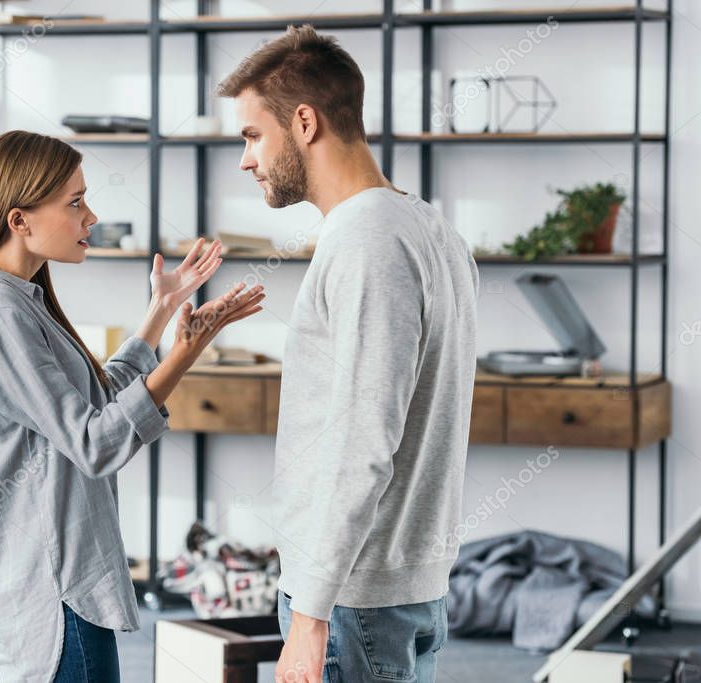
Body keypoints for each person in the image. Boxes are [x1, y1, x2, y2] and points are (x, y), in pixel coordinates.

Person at [0, 130, 265, 682]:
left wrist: (161, 312)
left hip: (64, 587)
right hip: (55, 595)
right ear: (19, 220)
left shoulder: (17, 300)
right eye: (75, 202)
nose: (90, 217)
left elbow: (95, 402)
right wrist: (183, 356)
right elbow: (96, 443)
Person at [218, 25, 479, 683]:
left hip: (352, 601)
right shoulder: (430, 229)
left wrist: (309, 614)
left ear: (303, 122)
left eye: (252, 135)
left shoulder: (367, 242)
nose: (246, 160)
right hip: (397, 587)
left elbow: (363, 441)